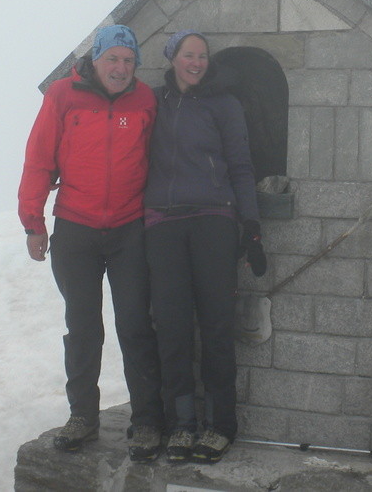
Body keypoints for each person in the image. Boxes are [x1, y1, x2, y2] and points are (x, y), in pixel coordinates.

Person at [18, 24, 165, 462]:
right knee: (82, 327)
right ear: (96, 60)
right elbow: (39, 158)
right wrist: (32, 223)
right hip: (76, 228)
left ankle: (147, 421)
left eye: (128, 60)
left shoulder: (145, 101)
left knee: (136, 325)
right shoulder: (63, 96)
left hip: (128, 227)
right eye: (112, 59)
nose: (120, 68)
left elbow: (160, 158)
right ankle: (83, 416)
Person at [143, 29, 266, 464]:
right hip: (162, 225)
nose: (196, 62)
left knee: (216, 326)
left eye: (202, 55)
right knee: (172, 329)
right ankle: (181, 425)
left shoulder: (225, 104)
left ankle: (220, 426)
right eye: (188, 54)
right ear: (172, 58)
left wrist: (250, 224)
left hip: (214, 221)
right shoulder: (152, 102)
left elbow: (241, 165)